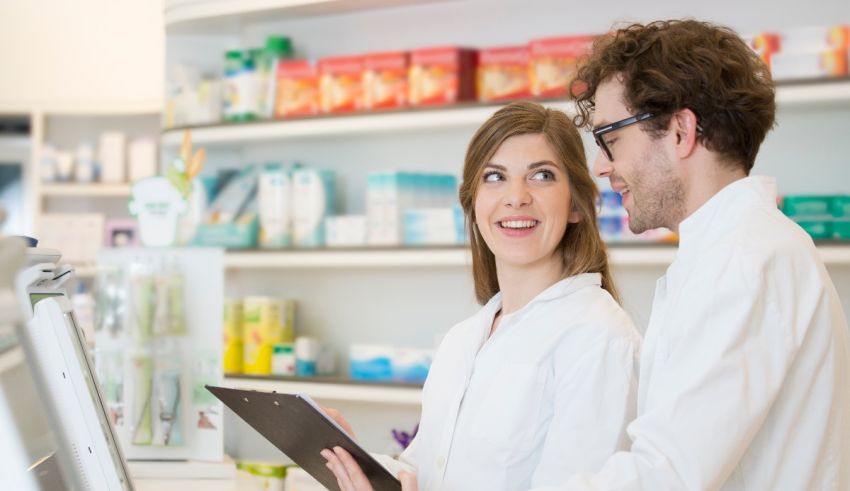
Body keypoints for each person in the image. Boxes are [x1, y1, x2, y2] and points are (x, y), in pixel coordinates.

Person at [542, 19, 849, 489]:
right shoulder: (734, 251)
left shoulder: (744, 260)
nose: (601, 166)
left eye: (611, 139)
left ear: (681, 131)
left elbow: (666, 474)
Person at [321, 101, 641, 490]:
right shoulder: (463, 339)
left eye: (541, 175)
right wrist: (357, 463)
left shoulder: (598, 337)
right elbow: (426, 472)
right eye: (494, 177)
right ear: (472, 204)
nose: (516, 197)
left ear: (577, 203)